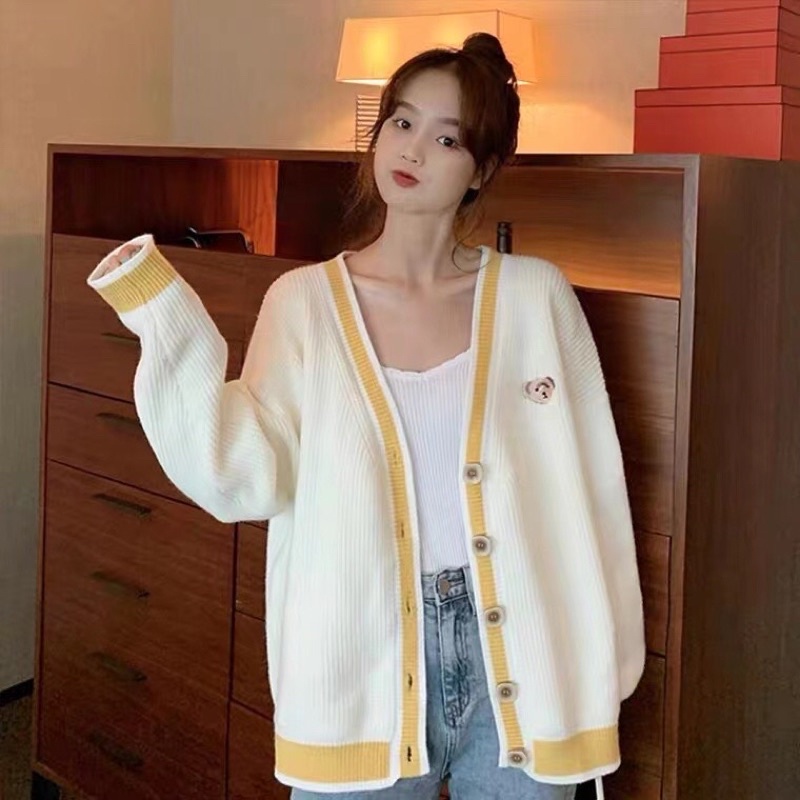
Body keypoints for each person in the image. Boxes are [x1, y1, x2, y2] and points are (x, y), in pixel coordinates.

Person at [87, 32, 644, 800]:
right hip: (358, 656)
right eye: (401, 122)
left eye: (447, 138)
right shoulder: (304, 304)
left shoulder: (537, 298)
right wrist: (162, 316)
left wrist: (605, 669)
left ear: (482, 169)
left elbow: (596, 491)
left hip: (525, 657)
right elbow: (242, 474)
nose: (412, 148)